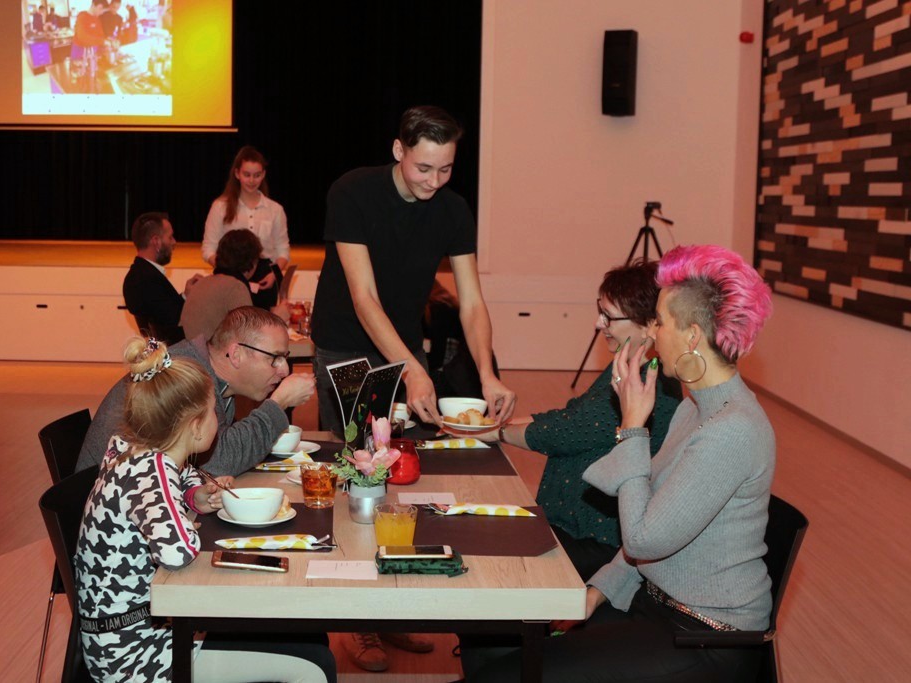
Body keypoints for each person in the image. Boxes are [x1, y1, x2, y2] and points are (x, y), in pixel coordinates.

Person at [460, 244, 775, 682]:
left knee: (507, 674)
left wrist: (632, 427)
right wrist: (600, 590)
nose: (653, 333)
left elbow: (643, 538)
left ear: (691, 337)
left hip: (705, 635)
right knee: (500, 647)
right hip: (654, 601)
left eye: (660, 322)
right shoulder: (695, 408)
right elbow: (651, 521)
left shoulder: (731, 429)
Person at [75, 337, 335, 682]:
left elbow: (181, 479)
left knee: (301, 639)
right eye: (214, 411)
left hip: (127, 634)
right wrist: (184, 516)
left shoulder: (131, 450)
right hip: (136, 656)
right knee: (315, 664)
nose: (220, 419)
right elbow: (178, 551)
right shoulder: (152, 471)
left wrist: (193, 494)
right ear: (195, 426)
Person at [310, 105, 515, 438]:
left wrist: (486, 373)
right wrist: (411, 371)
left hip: (406, 345)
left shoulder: (454, 211)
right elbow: (365, 298)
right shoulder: (352, 193)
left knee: (414, 449)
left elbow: (472, 304)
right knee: (354, 450)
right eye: (423, 168)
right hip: (345, 348)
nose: (434, 181)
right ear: (398, 150)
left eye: (445, 169)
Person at [481, 260, 682, 581]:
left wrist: (496, 433)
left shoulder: (648, 384)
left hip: (598, 539)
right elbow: (574, 414)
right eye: (600, 311)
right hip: (574, 525)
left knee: (492, 559)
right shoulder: (628, 363)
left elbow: (566, 433)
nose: (598, 323)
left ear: (648, 325)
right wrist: (496, 423)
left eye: (609, 316)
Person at [76, 306, 316, 475]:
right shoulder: (184, 377)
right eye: (275, 358)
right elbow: (220, 461)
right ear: (236, 354)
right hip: (116, 516)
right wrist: (278, 403)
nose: (284, 370)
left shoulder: (207, 371)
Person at [201, 146, 290, 311]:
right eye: (247, 174)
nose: (251, 180)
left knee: (264, 324)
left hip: (264, 279)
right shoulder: (220, 207)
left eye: (257, 175)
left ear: (263, 174)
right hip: (229, 277)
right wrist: (226, 272)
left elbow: (283, 250)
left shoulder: (275, 210)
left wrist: (274, 275)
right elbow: (208, 248)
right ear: (237, 174)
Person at [123, 211, 196, 344]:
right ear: (156, 242)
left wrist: (186, 295)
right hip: (172, 352)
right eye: (170, 237)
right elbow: (173, 325)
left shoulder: (138, 275)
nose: (174, 242)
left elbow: (165, 313)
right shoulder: (148, 280)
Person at [180, 229, 261, 342]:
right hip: (203, 353)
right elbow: (249, 337)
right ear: (253, 262)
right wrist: (275, 318)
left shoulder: (202, 283)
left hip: (184, 351)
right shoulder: (235, 287)